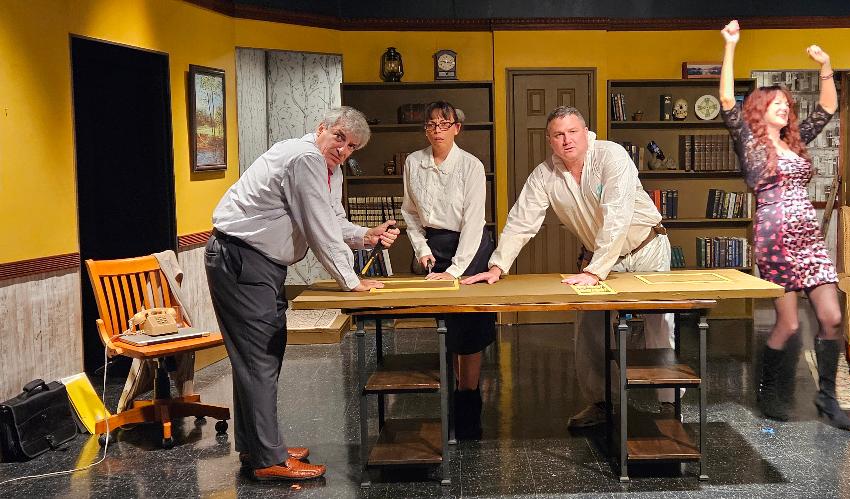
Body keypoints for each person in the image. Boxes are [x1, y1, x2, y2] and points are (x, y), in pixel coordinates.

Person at [205, 106, 401, 480]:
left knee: (260, 356)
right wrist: (351, 280)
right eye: (339, 137)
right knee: (259, 357)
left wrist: (366, 235)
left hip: (254, 261)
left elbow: (332, 220)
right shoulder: (306, 157)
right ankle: (268, 460)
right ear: (321, 128)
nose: (343, 149)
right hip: (242, 258)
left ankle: (259, 447)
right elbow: (318, 229)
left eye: (352, 146)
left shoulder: (329, 168)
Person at [462, 105, 678, 429]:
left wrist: (594, 271)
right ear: (549, 140)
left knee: (659, 323)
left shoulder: (611, 156)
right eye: (558, 135)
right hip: (601, 259)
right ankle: (601, 402)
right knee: (590, 325)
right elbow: (521, 221)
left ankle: (669, 405)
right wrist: (497, 266)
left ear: (586, 132)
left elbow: (617, 216)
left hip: (646, 249)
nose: (567, 140)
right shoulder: (544, 175)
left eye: (573, 132)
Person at [718, 20, 850, 430]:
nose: (784, 107)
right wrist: (730, 46)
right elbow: (726, 99)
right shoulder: (750, 141)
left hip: (808, 238)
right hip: (774, 238)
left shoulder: (794, 142)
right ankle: (768, 391)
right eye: (776, 102)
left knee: (831, 317)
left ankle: (828, 398)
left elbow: (827, 108)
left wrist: (826, 66)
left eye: (786, 103)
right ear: (759, 109)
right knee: (790, 323)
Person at [400, 101, 496, 440]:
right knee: (447, 329)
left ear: (457, 128)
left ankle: (468, 406)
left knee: (470, 331)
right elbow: (410, 213)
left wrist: (455, 272)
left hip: (470, 249)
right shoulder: (413, 162)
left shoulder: (471, 166)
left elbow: (473, 222)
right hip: (435, 248)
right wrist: (422, 250)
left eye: (444, 124)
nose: (437, 130)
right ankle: (453, 400)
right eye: (431, 124)